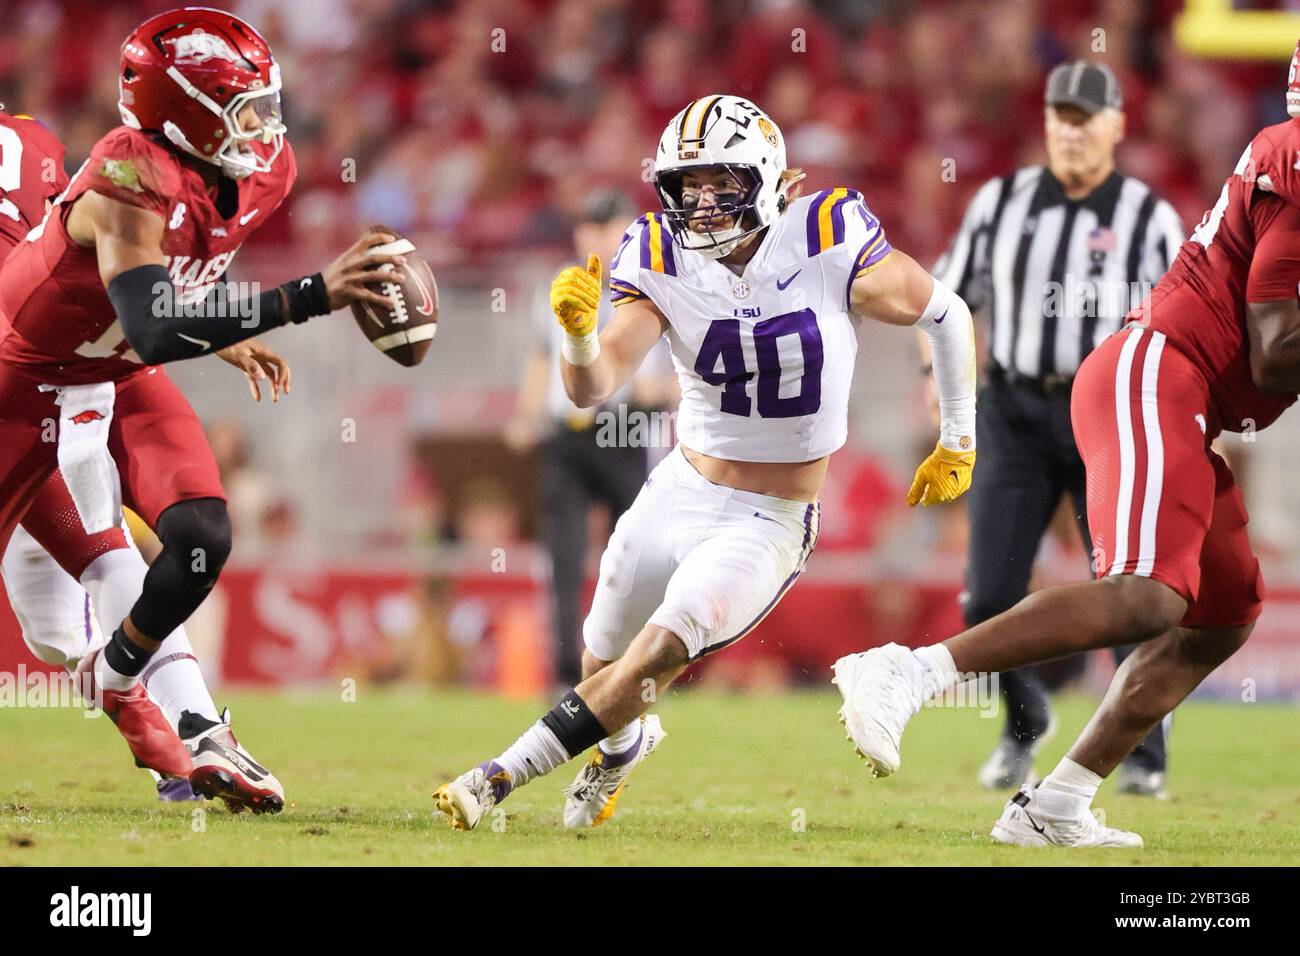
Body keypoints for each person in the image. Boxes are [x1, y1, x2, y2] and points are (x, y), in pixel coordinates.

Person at [434, 94, 978, 831]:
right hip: (680, 488)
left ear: (767, 179)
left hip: (769, 516)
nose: (703, 203)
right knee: (599, 665)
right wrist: (577, 338)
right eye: (689, 186)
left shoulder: (826, 233)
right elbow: (590, 390)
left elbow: (944, 311)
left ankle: (498, 775)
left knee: (656, 652)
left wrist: (958, 437)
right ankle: (622, 752)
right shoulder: (659, 250)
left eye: (722, 184)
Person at [834, 45, 1300, 849]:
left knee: (1224, 615)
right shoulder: (1291, 161)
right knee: (1147, 594)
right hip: (1155, 372)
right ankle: (909, 671)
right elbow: (1274, 347)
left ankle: (1055, 804)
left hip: (1187, 402)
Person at [0, 9, 402, 809]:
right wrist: (307, 296)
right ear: (181, 110)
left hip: (108, 370)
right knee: (55, 620)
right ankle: (146, 703)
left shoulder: (254, 170)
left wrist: (220, 327)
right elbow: (145, 312)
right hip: (19, 384)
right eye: (240, 104)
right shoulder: (116, 168)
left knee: (197, 534)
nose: (263, 125)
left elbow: (151, 278)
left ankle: (171, 715)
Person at [0, 107, 290, 807]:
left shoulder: (44, 144)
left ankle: (194, 734)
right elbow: (110, 253)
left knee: (112, 558)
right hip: (53, 371)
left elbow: (107, 255)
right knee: (54, 627)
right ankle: (172, 722)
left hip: (57, 375)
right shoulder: (32, 137)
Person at [927, 61, 1184, 795]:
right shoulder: (999, 204)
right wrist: (933, 384)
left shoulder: (1148, 217)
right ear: (1046, 124)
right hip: (1012, 411)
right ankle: (1023, 727)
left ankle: (1143, 752)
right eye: (1060, 119)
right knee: (986, 595)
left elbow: (1181, 323)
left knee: (1129, 590)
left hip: (1105, 414)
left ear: (1116, 127)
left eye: (1086, 119)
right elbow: (944, 301)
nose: (1071, 133)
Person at [505, 190, 676, 688]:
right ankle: (566, 675)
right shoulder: (561, 286)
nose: (597, 237)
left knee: (635, 558)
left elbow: (672, 375)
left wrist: (661, 395)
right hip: (571, 435)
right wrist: (526, 413)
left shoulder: (651, 285)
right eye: (590, 226)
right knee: (563, 555)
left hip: (627, 429)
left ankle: (635, 670)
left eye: (607, 226)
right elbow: (542, 356)